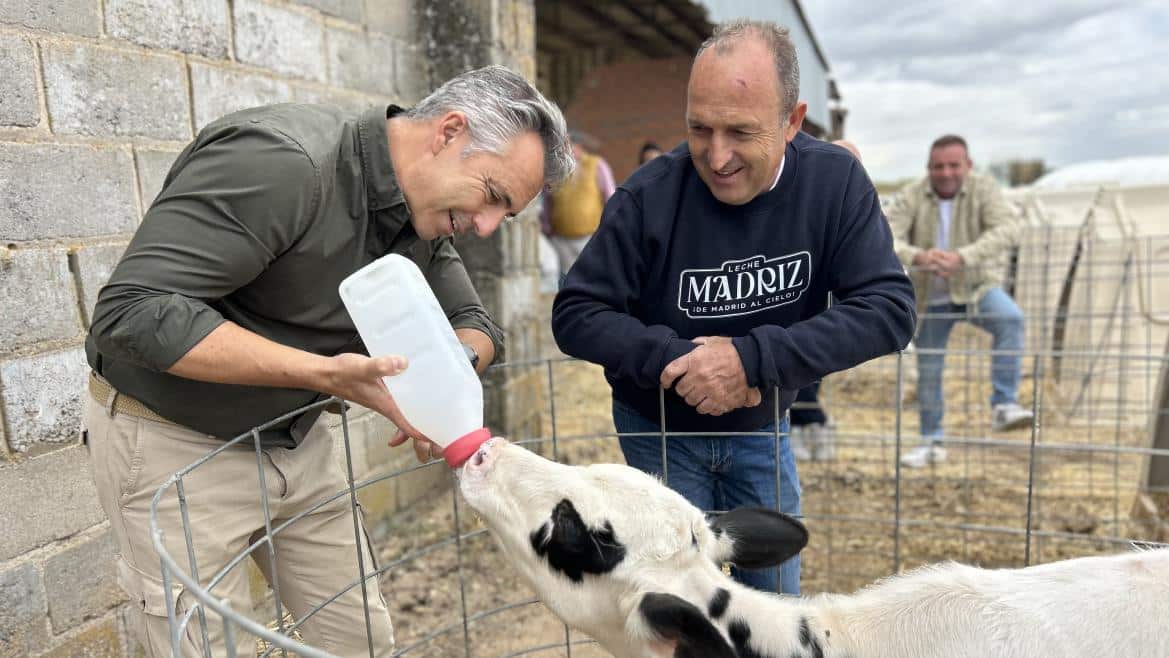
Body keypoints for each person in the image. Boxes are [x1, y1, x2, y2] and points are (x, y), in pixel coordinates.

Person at [83, 65, 573, 657]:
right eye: (492, 196)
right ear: (448, 132)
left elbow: (475, 324)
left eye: (507, 214)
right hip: (177, 445)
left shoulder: (422, 211)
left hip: (297, 442)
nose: (488, 226)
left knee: (358, 637)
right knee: (207, 646)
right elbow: (131, 313)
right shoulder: (281, 165)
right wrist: (325, 374)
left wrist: (447, 374)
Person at [551, 20, 915, 594]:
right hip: (660, 429)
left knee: (771, 604)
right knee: (674, 604)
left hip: (762, 426)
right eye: (700, 128)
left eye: (741, 132)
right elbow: (576, 312)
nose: (716, 157)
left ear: (792, 122)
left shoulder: (833, 184)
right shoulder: (650, 195)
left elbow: (889, 308)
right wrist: (672, 357)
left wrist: (754, 360)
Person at [886, 134, 1032, 469]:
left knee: (1010, 319)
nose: (946, 172)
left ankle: (1004, 404)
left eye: (954, 165)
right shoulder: (911, 195)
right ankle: (931, 441)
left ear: (968, 165)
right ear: (929, 168)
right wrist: (919, 256)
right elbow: (886, 233)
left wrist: (963, 257)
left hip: (974, 286)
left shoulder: (985, 190)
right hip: (929, 296)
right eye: (939, 166)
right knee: (930, 371)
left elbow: (1008, 228)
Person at [789, 138, 865, 462]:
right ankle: (808, 427)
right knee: (797, 371)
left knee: (810, 372)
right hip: (798, 304)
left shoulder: (856, 209)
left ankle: (809, 425)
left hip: (828, 308)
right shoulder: (804, 201)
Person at [539, 130, 616, 279]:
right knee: (568, 279)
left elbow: (610, 198)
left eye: (568, 147)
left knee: (593, 277)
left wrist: (607, 229)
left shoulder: (597, 165)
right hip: (561, 240)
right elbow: (547, 202)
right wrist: (547, 228)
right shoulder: (557, 169)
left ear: (579, 147)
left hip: (591, 237)